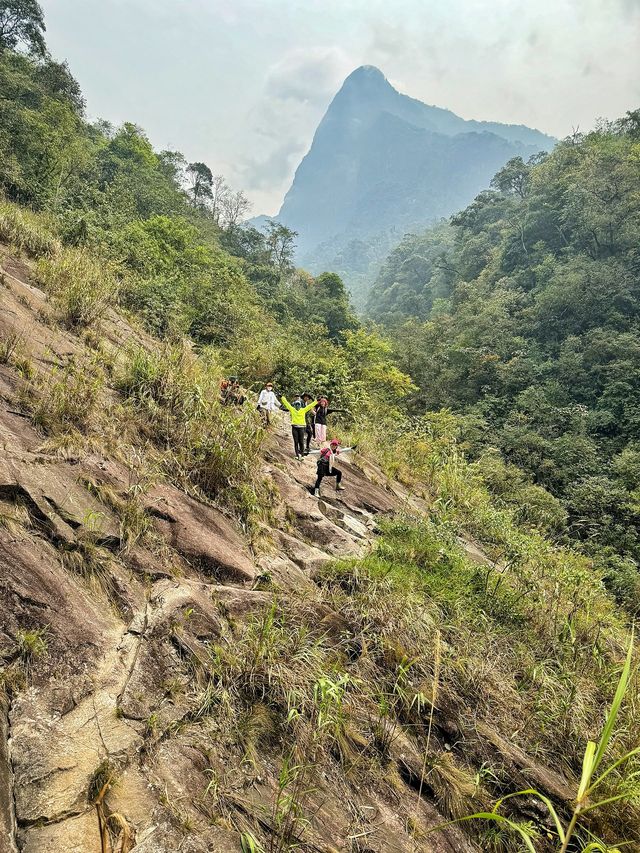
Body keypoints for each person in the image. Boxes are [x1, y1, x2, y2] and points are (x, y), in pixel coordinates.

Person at [281, 393, 318, 460]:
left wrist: (316, 401)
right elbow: (286, 403)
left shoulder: (303, 410)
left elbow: (310, 406)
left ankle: (302, 454)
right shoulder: (292, 409)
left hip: (301, 428)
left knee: (301, 441)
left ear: (300, 405)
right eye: (296, 404)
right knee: (296, 441)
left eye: (298, 404)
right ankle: (297, 454)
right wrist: (282, 397)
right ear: (294, 405)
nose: (297, 406)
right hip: (294, 427)